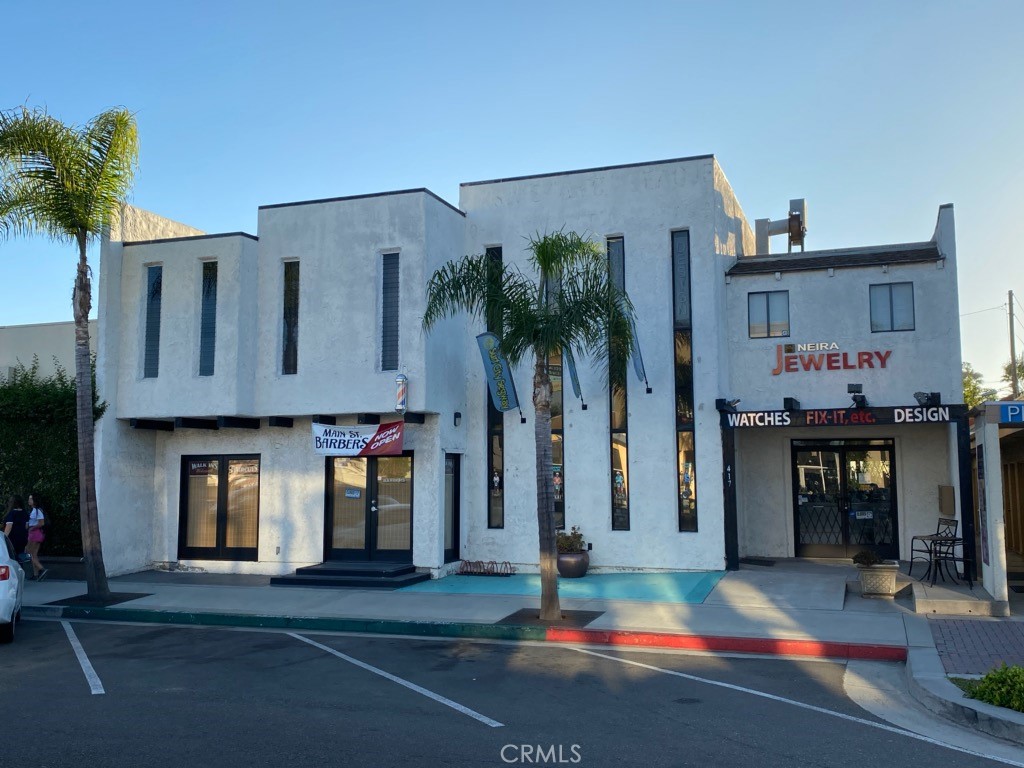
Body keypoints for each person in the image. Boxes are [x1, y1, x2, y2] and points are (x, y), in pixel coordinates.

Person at [25, 493, 47, 581]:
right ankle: (36, 574)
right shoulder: (34, 510)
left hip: (34, 533)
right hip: (35, 533)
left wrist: (31, 528)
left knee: (28, 553)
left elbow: (41, 523)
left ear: (35, 501)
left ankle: (42, 569)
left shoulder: (37, 511)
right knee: (34, 554)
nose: (29, 501)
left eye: (30, 499)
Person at [3, 495, 30, 562]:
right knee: (20, 558)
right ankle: (20, 571)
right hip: (23, 538)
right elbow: (26, 527)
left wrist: (4, 538)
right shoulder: (25, 513)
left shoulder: (12, 514)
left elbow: (9, 526)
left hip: (13, 539)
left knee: (12, 558)